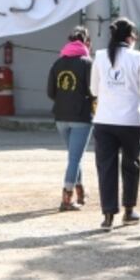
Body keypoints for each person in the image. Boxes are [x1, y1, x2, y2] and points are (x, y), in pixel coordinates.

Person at [90, 17, 140, 229]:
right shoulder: (138, 57)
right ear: (130, 37)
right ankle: (129, 210)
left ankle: (108, 215)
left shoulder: (99, 56)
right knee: (131, 165)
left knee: (106, 167)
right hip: (130, 121)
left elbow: (93, 90)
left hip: (104, 120)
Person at [47, 26, 94, 212]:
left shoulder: (57, 63)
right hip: (81, 116)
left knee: (74, 156)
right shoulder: (87, 63)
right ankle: (66, 198)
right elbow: (93, 90)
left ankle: (80, 191)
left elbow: (51, 92)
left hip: (60, 117)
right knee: (75, 157)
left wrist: (64, 99)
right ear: (86, 42)